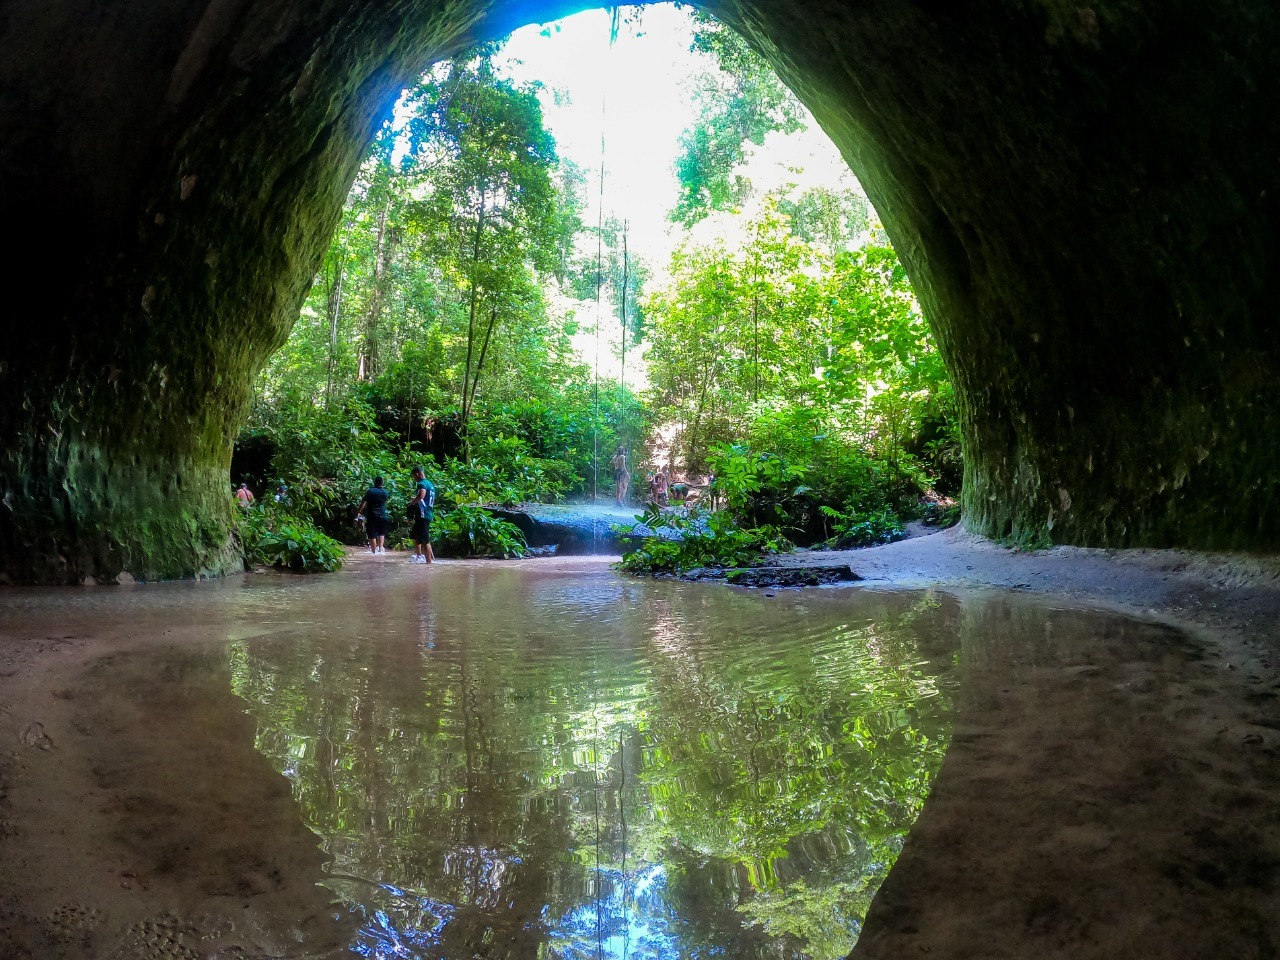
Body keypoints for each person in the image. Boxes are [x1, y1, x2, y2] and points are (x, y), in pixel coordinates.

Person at [355, 476, 391, 555]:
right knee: (381, 533)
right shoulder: (385, 492)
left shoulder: (371, 491)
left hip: (372, 516)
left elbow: (363, 503)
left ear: (375, 482)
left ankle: (374, 552)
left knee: (372, 534)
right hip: (383, 515)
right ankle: (380, 550)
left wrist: (359, 512)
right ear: (382, 483)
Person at [408, 466, 435, 564]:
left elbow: (421, 495)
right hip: (427, 513)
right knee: (415, 536)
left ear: (417, 474)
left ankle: (429, 563)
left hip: (423, 514)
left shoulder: (422, 484)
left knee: (425, 540)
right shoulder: (430, 484)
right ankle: (419, 556)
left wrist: (411, 503)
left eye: (413, 477)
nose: (414, 479)